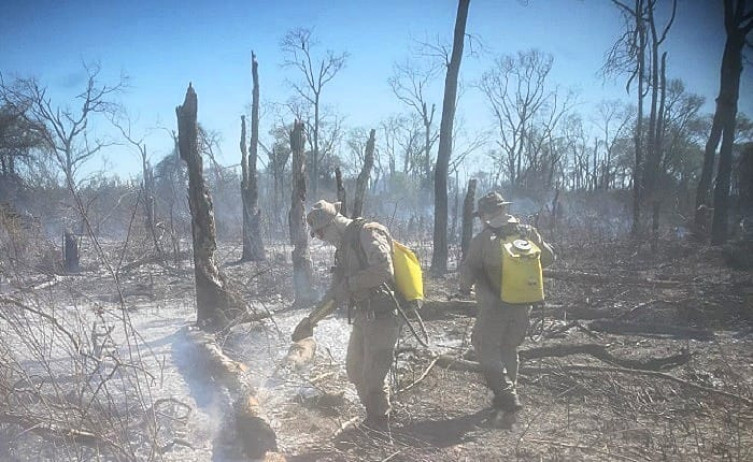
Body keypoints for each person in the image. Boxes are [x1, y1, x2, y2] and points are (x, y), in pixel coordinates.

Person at [291, 200, 400, 430]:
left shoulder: (368, 233)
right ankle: (374, 415)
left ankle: (380, 425)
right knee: (354, 369)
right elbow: (336, 293)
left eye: (319, 234)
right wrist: (312, 320)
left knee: (373, 376)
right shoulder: (343, 250)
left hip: (384, 316)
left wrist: (352, 283)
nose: (321, 239)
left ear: (330, 225)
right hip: (364, 317)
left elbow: (384, 270)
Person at [459, 192, 555, 415]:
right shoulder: (527, 232)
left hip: (494, 306)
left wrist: (464, 289)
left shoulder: (483, 239)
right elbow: (549, 258)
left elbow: (468, 270)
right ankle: (506, 396)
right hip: (524, 303)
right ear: (503, 209)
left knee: (483, 345)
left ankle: (506, 393)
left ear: (485, 214)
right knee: (509, 347)